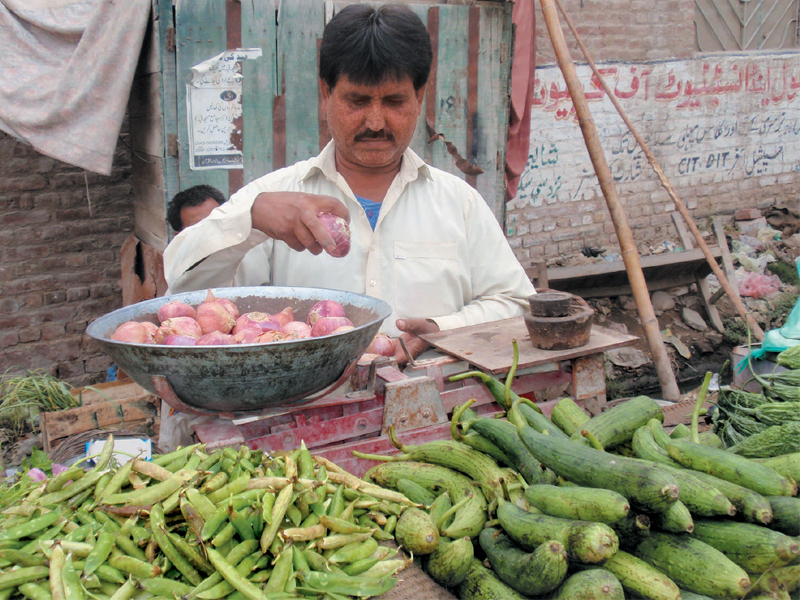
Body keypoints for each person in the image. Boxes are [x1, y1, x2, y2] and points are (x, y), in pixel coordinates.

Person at [164, 3, 535, 366]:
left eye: (394, 101)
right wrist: (251, 219)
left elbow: (516, 305)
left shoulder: (459, 203)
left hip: (435, 417)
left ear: (419, 98)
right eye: (356, 101)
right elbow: (184, 291)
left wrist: (440, 329)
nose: (375, 121)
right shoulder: (272, 198)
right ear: (326, 93)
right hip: (304, 418)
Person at [166, 184, 269, 287]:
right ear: (178, 238)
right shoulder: (178, 282)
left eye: (215, 223)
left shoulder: (259, 247)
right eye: (198, 230)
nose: (210, 234)